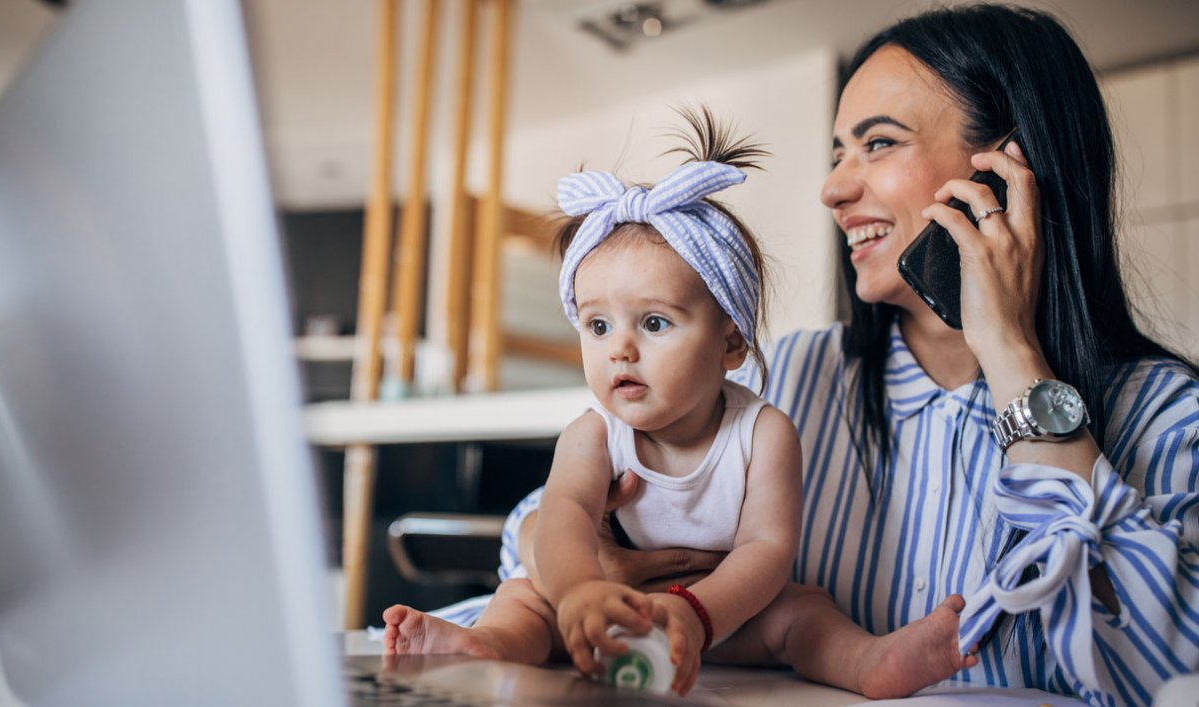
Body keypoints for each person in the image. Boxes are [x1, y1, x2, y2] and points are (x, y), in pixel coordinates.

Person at [490, 6, 1199, 706]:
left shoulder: (1165, 413)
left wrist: (1014, 355)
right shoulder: (787, 376)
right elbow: (534, 527)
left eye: (879, 144)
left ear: (1008, 171)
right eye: (837, 154)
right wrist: (595, 559)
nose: (833, 189)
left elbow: (1171, 669)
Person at [381, 113, 975, 697]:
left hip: (719, 613)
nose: (621, 350)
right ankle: (488, 644)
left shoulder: (764, 433)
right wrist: (580, 592)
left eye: (655, 322)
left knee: (803, 613)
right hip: (595, 609)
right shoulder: (593, 435)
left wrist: (696, 613)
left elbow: (766, 551)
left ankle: (870, 662)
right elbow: (563, 519)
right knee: (522, 599)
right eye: (598, 326)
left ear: (731, 341)